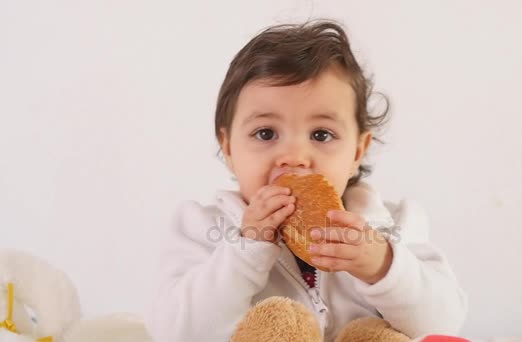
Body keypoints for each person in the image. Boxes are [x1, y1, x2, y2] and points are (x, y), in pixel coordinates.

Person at [145, 20, 468, 341]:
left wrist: (384, 267)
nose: (294, 155)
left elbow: (444, 324)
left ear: (358, 150)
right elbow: (175, 333)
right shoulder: (200, 229)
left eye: (321, 134)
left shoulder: (394, 224)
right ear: (228, 147)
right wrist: (245, 250)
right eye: (266, 133)